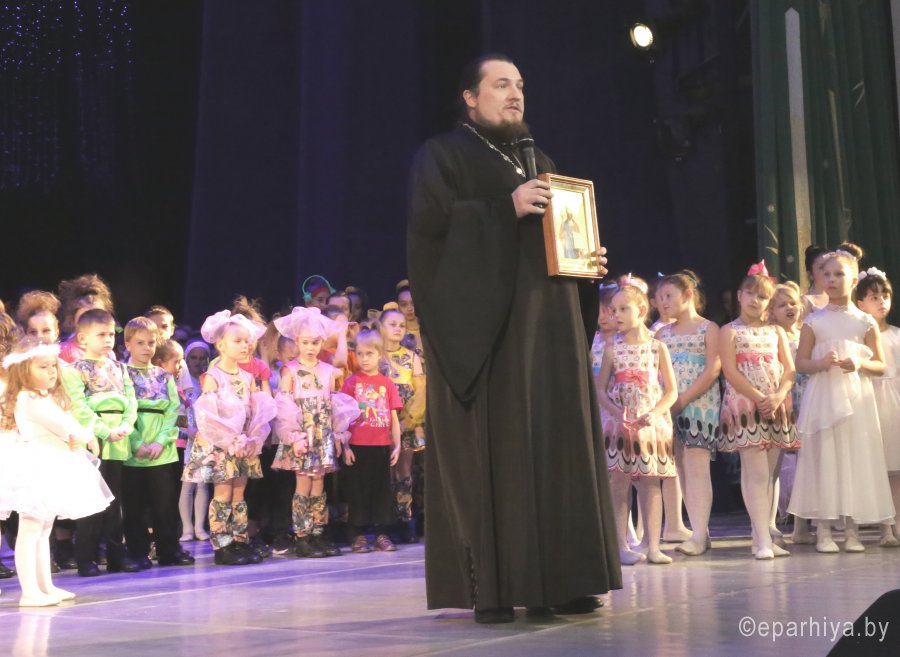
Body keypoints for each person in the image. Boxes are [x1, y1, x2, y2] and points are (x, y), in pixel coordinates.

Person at [406, 53, 620, 622]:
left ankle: (567, 580)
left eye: (519, 85)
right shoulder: (443, 155)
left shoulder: (539, 160)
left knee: (557, 449)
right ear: (470, 97)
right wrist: (504, 208)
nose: (515, 94)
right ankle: (498, 588)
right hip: (491, 338)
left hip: (548, 333)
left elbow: (552, 240)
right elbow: (429, 235)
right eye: (501, 85)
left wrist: (585, 262)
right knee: (503, 454)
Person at [789, 248, 895, 552]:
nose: (832, 279)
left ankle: (852, 531)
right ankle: (823, 529)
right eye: (827, 274)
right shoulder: (814, 321)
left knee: (853, 458)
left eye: (839, 274)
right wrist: (821, 363)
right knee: (825, 457)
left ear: (853, 281)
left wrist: (859, 363)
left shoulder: (864, 321)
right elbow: (801, 363)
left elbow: (881, 365)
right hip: (824, 397)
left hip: (857, 399)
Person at [0, 338, 112, 606]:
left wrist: (73, 437)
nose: (52, 371)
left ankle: (46, 587)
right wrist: (84, 434)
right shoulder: (28, 398)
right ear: (23, 370)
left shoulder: (43, 396)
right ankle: (30, 591)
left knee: (43, 530)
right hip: (37, 467)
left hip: (51, 464)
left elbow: (63, 424)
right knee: (31, 529)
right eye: (43, 367)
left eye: (53, 366)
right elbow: (61, 424)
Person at [181, 310, 276, 565]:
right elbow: (209, 417)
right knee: (223, 493)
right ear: (221, 345)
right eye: (238, 341)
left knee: (239, 493)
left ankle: (239, 540)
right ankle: (222, 545)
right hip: (222, 446)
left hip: (242, 445)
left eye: (247, 341)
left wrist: (252, 438)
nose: (245, 345)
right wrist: (230, 440)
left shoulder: (247, 378)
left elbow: (256, 411)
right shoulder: (214, 377)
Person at [718, 262, 797, 560]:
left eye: (762, 297)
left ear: (769, 302)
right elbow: (730, 371)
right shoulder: (729, 331)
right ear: (739, 296)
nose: (755, 300)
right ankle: (763, 539)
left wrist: (777, 396)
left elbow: (789, 370)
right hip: (746, 406)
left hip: (776, 406)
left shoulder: (776, 331)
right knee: (757, 473)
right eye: (750, 294)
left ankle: (760, 536)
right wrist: (760, 398)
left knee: (769, 475)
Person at [596, 277, 678, 566]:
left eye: (623, 309)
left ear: (641, 310)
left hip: (650, 425)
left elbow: (671, 391)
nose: (616, 315)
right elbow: (600, 390)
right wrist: (616, 412)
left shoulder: (657, 348)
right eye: (613, 310)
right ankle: (620, 545)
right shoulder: (612, 349)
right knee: (618, 483)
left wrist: (655, 413)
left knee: (650, 483)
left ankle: (653, 545)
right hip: (620, 425)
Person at [62, 309, 139, 577]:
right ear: (83, 338)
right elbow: (79, 407)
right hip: (94, 439)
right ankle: (87, 558)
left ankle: (116, 555)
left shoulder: (120, 368)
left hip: (119, 438)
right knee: (92, 500)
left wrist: (126, 426)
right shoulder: (74, 370)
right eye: (101, 335)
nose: (108, 340)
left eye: (110, 335)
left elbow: (131, 402)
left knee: (115, 500)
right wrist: (104, 431)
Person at [271, 306, 349, 559]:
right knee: (303, 482)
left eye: (315, 342)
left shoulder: (328, 371)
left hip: (322, 434)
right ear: (297, 341)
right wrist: (294, 436)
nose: (310, 347)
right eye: (305, 342)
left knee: (319, 483)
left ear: (321, 342)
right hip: (303, 435)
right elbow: (284, 406)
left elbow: (334, 404)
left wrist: (338, 434)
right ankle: (302, 535)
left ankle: (318, 532)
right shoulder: (290, 370)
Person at [656, 270, 721, 556]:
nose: (663, 302)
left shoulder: (708, 328)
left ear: (688, 295)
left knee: (697, 468)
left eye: (668, 296)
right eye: (659, 297)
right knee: (680, 468)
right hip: (669, 407)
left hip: (700, 405)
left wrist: (683, 399)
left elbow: (713, 368)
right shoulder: (662, 333)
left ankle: (698, 535)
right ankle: (699, 530)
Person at [121, 318, 194, 568]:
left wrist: (161, 442)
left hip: (162, 452)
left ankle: (168, 550)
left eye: (151, 343)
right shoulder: (122, 375)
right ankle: (137, 552)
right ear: (128, 344)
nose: (146, 348)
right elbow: (123, 411)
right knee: (134, 506)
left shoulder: (163, 376)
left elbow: (173, 410)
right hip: (133, 452)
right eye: (140, 343)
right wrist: (136, 442)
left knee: (165, 505)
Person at [340, 328, 402, 553]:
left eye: (369, 354)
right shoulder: (351, 382)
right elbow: (342, 418)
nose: (364, 359)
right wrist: (345, 446)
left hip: (381, 446)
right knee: (358, 490)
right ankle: (357, 534)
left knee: (381, 491)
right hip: (358, 446)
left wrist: (397, 445)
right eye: (360, 354)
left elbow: (393, 417)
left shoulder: (387, 384)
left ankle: (381, 533)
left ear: (380, 355)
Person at [855, 267, 900, 546]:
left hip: (894, 403)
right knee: (878, 467)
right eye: (874, 297)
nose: (881, 301)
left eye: (885, 295)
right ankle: (885, 527)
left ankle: (897, 523)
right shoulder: (860, 336)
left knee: (896, 468)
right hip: (869, 401)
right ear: (861, 303)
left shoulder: (896, 334)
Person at [379, 305, 426, 543]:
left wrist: (411, 419)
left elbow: (420, 392)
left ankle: (404, 518)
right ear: (381, 327)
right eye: (392, 325)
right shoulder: (376, 356)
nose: (397, 329)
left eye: (401, 325)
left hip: (405, 421)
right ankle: (385, 520)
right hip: (380, 423)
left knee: (404, 470)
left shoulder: (411, 357)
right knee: (385, 470)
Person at [176, 340, 211, 542]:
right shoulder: (182, 382)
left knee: (203, 484)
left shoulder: (209, 381)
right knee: (188, 484)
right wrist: (186, 430)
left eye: (202, 358)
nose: (198, 362)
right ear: (187, 359)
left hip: (207, 437)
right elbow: (178, 410)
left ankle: (199, 527)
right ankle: (187, 528)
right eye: (194, 358)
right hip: (190, 437)